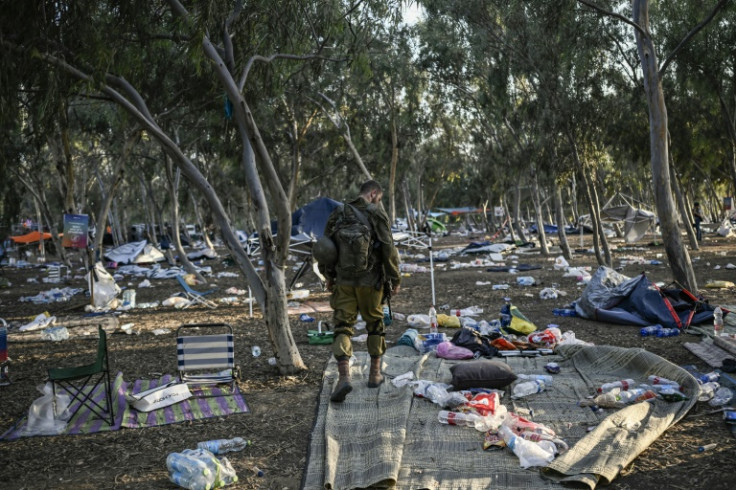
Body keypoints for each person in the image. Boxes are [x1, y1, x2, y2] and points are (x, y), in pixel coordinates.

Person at [319, 180, 401, 403]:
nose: (378, 202)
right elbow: (388, 248)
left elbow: (326, 247)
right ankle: (375, 374)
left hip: (344, 282)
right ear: (374, 194)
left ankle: (344, 377)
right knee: (375, 324)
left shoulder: (339, 212)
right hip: (371, 281)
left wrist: (328, 276)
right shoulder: (376, 213)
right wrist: (394, 278)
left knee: (343, 327)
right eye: (379, 198)